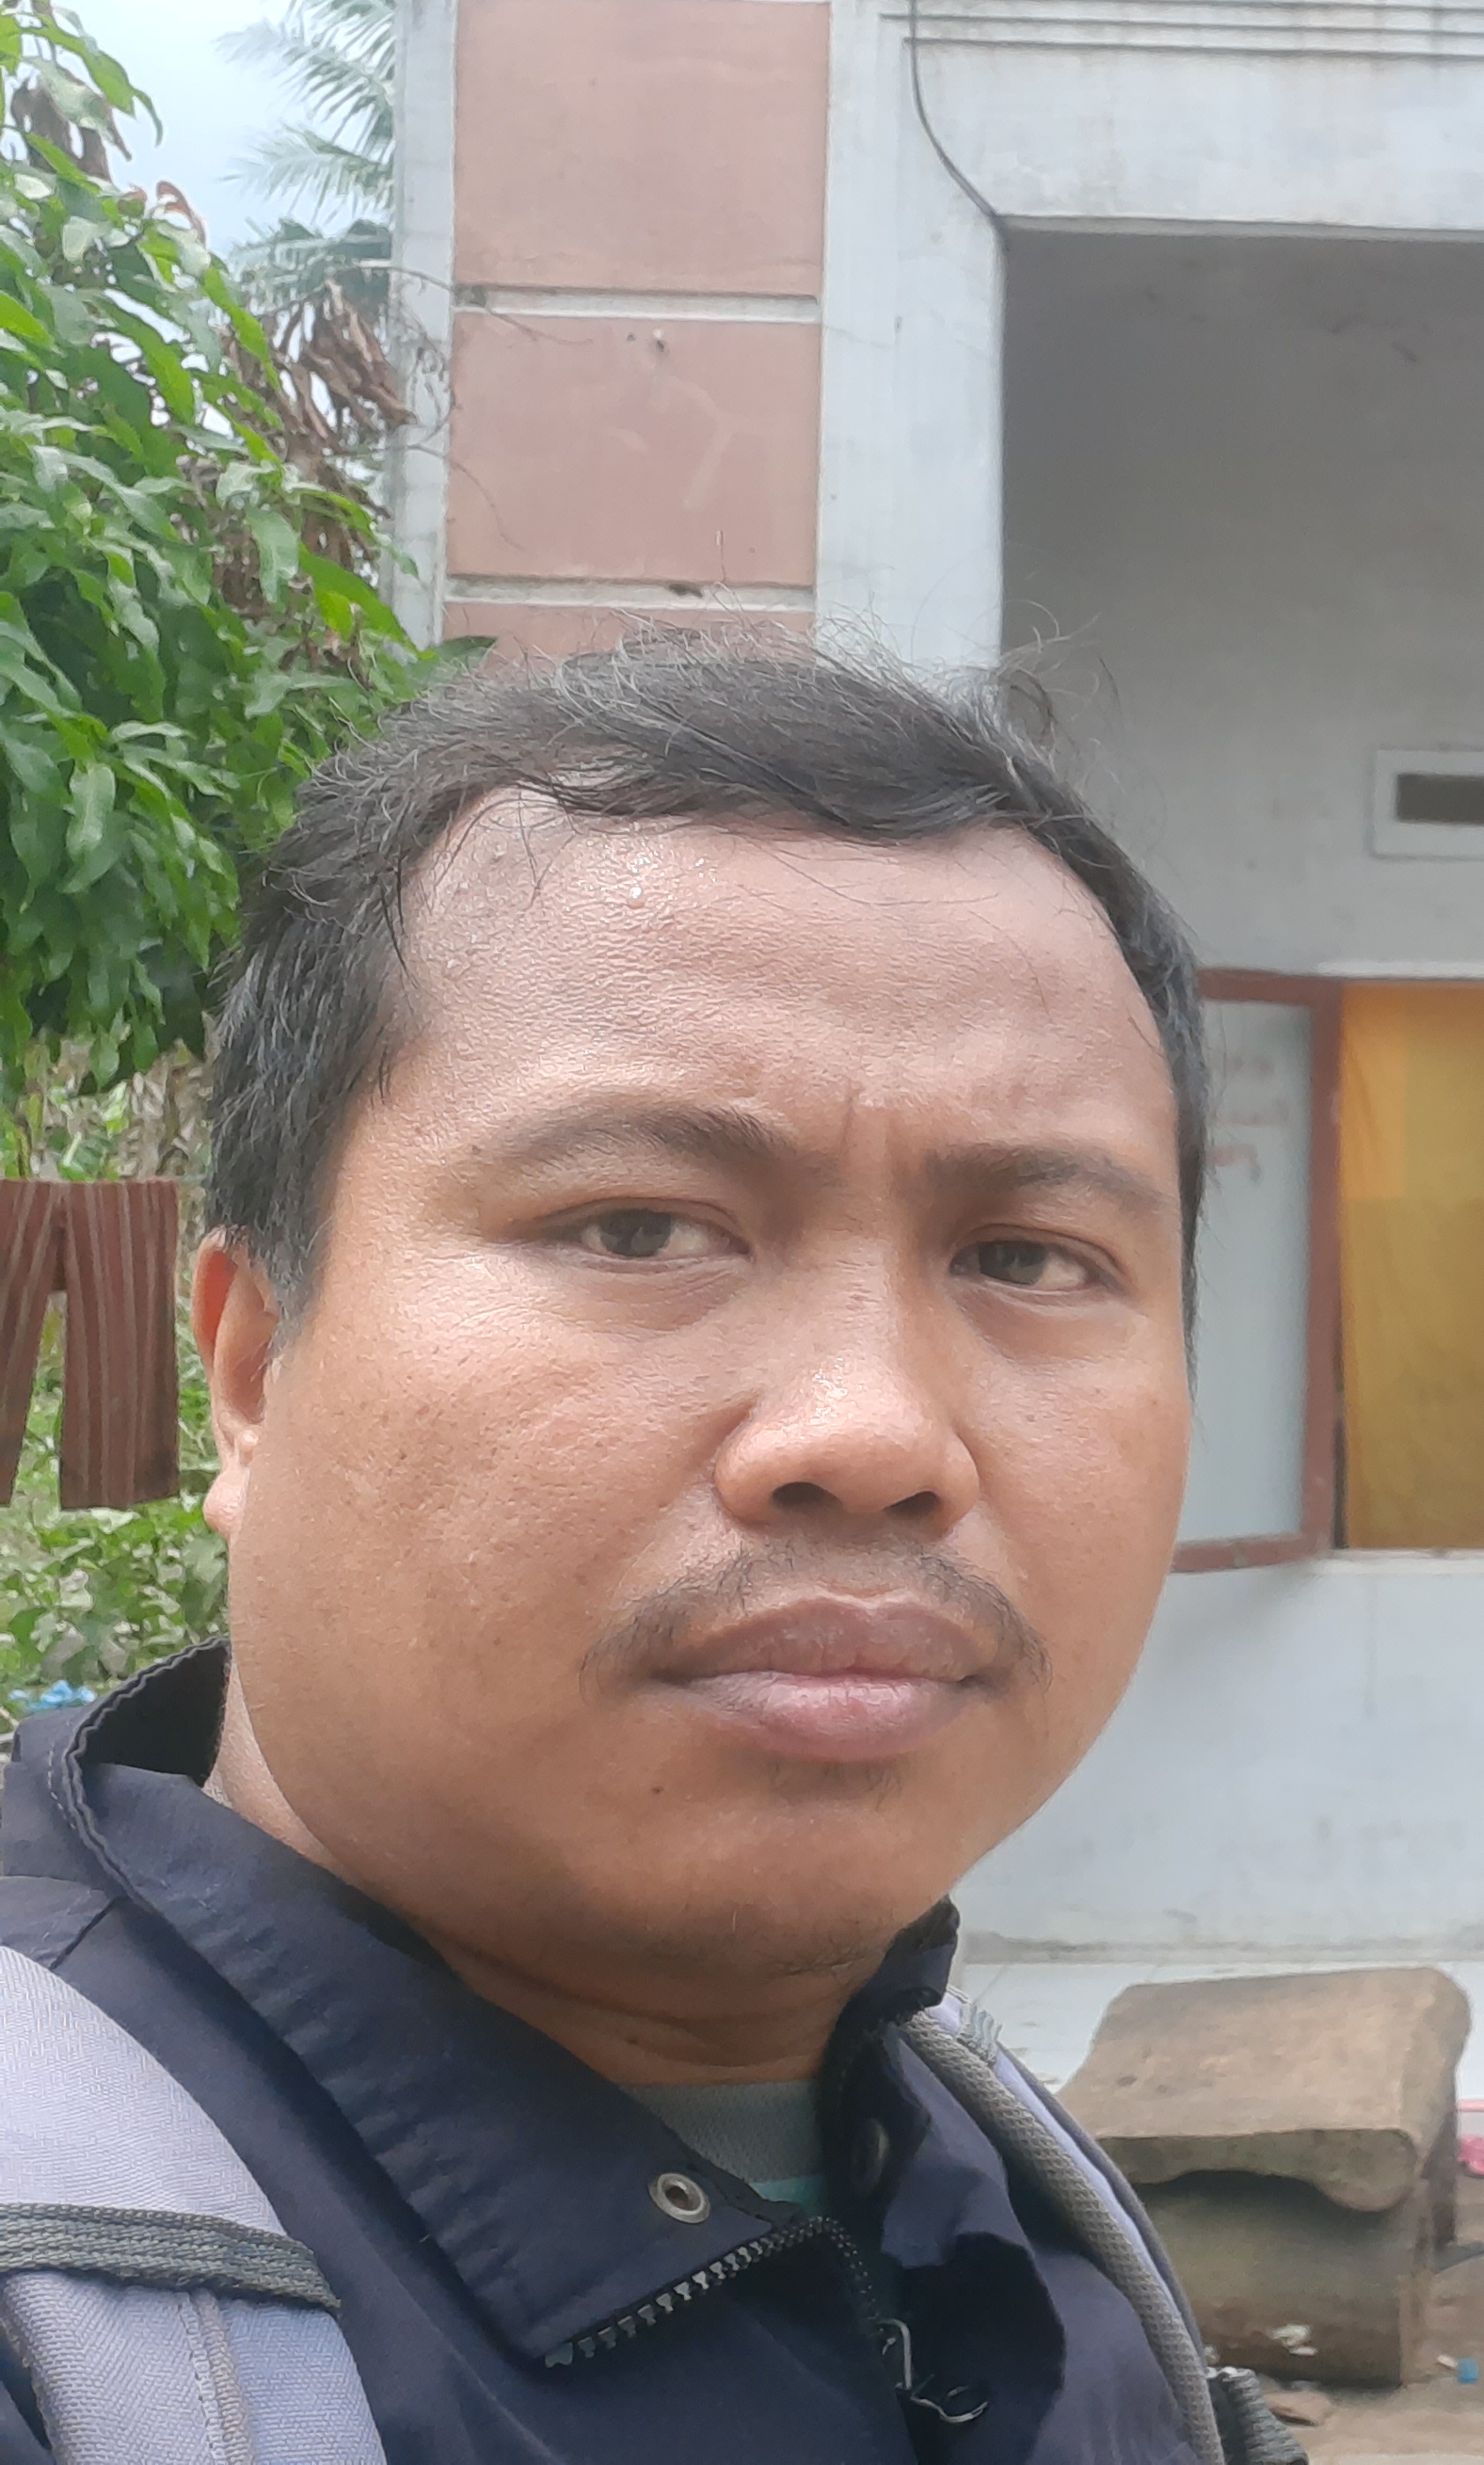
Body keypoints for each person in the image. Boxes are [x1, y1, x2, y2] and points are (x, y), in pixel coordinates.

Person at [0, 650, 1253, 2458]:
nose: (874, 1435)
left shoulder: (1015, 2203)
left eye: (1027, 1258)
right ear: (255, 1369)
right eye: (642, 1228)